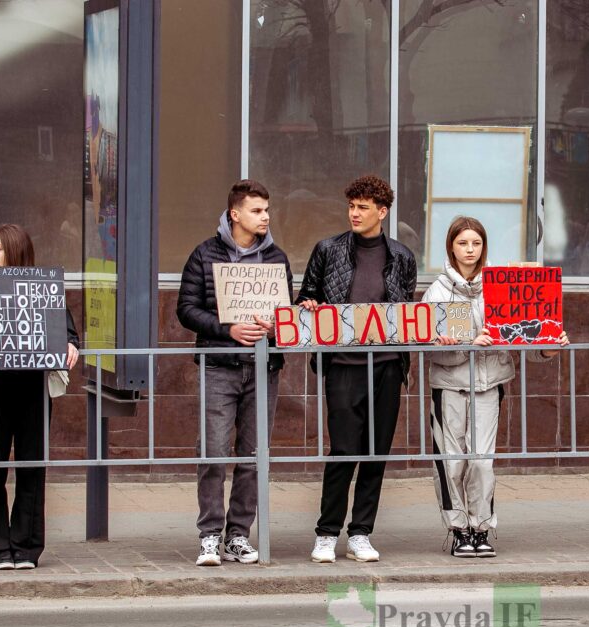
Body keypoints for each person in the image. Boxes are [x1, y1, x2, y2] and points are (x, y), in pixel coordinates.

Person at [423, 216, 568, 558]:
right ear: (451, 247)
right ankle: (459, 529)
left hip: (489, 387)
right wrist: (468, 344)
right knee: (452, 463)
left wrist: (548, 345)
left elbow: (522, 336)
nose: (470, 250)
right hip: (450, 388)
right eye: (463, 243)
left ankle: (481, 527)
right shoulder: (441, 292)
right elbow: (434, 352)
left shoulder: (501, 287)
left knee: (482, 462)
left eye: (476, 243)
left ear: (484, 246)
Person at [297, 175, 417, 563]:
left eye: (363, 207)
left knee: (376, 451)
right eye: (351, 206)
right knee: (344, 450)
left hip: (386, 365)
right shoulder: (327, 249)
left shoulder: (401, 256)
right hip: (344, 366)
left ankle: (361, 532)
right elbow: (306, 299)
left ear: (382, 212)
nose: (355, 213)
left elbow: (405, 310)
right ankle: (327, 532)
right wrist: (310, 306)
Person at [177, 179, 293, 566]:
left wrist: (281, 326)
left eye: (267, 210)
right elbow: (186, 309)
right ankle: (210, 534)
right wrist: (227, 330)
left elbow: (286, 312)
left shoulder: (276, 258)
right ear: (235, 214)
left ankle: (238, 535)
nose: (266, 217)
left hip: (264, 369)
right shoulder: (204, 254)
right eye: (257, 210)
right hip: (220, 366)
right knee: (212, 452)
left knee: (253, 454)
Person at [0, 224, 80, 570]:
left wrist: (71, 344)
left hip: (33, 390)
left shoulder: (42, 287)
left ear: (14, 251)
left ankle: (25, 546)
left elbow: (67, 330)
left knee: (31, 467)